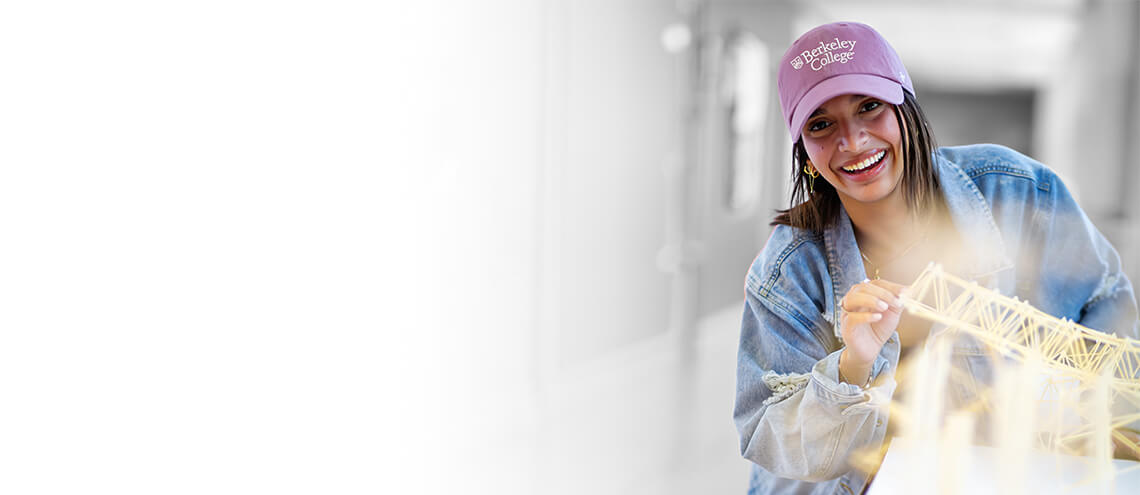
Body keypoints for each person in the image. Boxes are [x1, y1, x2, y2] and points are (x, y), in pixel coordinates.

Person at [733, 21, 1140, 494]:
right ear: (804, 151)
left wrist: (1080, 416)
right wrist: (853, 365)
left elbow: (1106, 309)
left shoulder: (1019, 194)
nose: (853, 141)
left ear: (906, 108)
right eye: (821, 125)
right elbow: (777, 441)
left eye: (870, 107)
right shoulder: (786, 272)